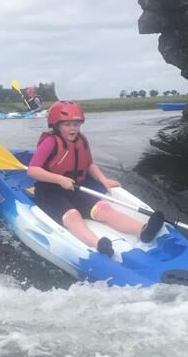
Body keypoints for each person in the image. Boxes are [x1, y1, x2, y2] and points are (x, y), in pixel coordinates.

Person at [27, 101, 165, 257]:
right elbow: (32, 170)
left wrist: (103, 179)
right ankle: (98, 245)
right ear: (56, 125)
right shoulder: (50, 142)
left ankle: (143, 231)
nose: (73, 128)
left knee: (104, 210)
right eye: (67, 124)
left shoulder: (82, 140)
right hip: (50, 191)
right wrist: (59, 179)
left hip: (76, 187)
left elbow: (89, 165)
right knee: (73, 215)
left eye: (76, 124)